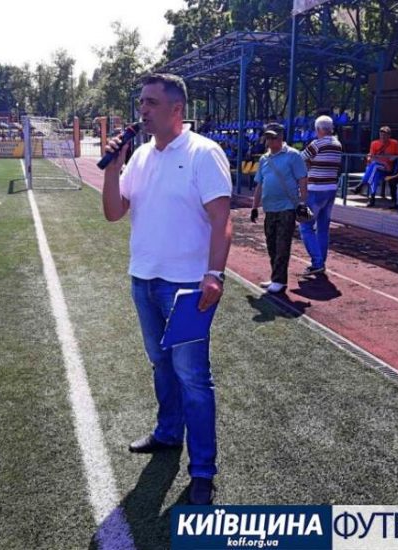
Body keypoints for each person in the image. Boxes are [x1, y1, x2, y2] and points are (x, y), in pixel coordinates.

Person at [102, 73, 232, 505]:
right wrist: (113, 166)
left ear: (177, 110)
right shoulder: (139, 156)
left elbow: (222, 220)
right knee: (160, 363)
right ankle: (168, 432)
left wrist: (214, 274)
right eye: (141, 101)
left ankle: (203, 470)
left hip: (188, 288)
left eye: (151, 102)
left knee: (192, 376)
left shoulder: (203, 153)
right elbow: (113, 212)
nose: (143, 109)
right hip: (143, 278)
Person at [250, 123, 308, 293]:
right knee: (271, 244)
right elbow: (260, 184)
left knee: (282, 244)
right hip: (269, 208)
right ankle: (276, 276)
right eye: (267, 137)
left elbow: (302, 179)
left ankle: (280, 280)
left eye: (273, 137)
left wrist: (302, 202)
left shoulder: (293, 156)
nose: (269, 141)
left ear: (281, 137)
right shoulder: (264, 159)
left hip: (287, 207)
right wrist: (254, 207)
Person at [298, 115, 342, 276]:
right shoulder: (337, 144)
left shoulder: (316, 144)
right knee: (323, 228)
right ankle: (320, 261)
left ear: (319, 129)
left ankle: (317, 262)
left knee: (305, 226)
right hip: (331, 189)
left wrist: (309, 164)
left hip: (315, 189)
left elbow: (299, 159)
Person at [351, 126, 398, 207]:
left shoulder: (394, 143)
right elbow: (372, 157)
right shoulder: (374, 143)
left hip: (387, 168)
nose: (383, 136)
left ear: (389, 135)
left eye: (385, 135)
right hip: (377, 167)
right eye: (381, 134)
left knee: (373, 167)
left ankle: (361, 185)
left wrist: (393, 158)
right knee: (375, 174)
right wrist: (382, 162)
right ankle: (372, 198)